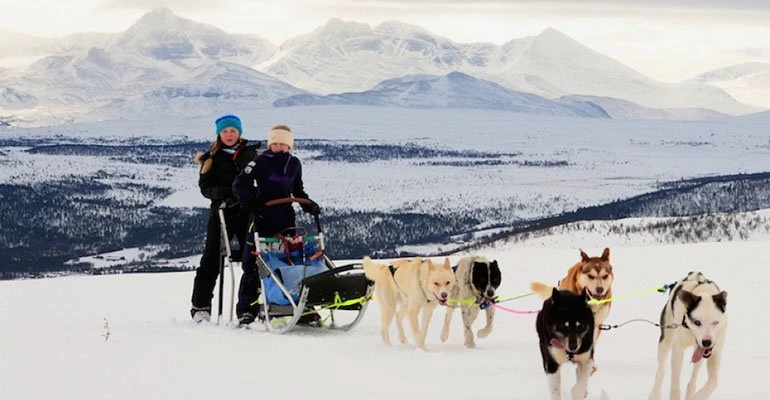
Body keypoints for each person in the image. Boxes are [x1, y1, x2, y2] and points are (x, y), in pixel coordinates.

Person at [233, 124, 320, 325]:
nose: (279, 147)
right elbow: (240, 184)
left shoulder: (294, 163)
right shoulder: (260, 162)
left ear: (289, 146)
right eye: (275, 143)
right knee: (254, 263)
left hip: (286, 218)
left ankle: (299, 305)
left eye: (283, 144)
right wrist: (253, 203)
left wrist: (309, 205)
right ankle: (247, 309)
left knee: (293, 260)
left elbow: (297, 190)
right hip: (262, 217)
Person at [189, 114, 260, 323]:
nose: (229, 135)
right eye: (225, 131)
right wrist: (230, 193)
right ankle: (200, 306)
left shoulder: (252, 154)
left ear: (240, 132)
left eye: (233, 130)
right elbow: (206, 188)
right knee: (211, 259)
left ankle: (254, 305)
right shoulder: (211, 158)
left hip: (247, 213)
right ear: (219, 134)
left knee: (255, 258)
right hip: (222, 213)